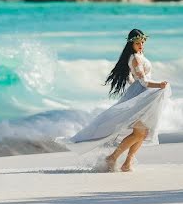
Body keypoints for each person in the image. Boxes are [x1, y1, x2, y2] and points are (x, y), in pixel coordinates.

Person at [68, 29, 171, 172]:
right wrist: (159, 85)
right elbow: (143, 81)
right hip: (141, 95)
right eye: (137, 43)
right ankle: (113, 158)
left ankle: (126, 163)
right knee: (140, 132)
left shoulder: (139, 55)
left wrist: (134, 83)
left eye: (142, 42)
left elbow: (133, 78)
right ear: (131, 44)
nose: (141, 45)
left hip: (143, 94)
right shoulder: (135, 58)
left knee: (142, 132)